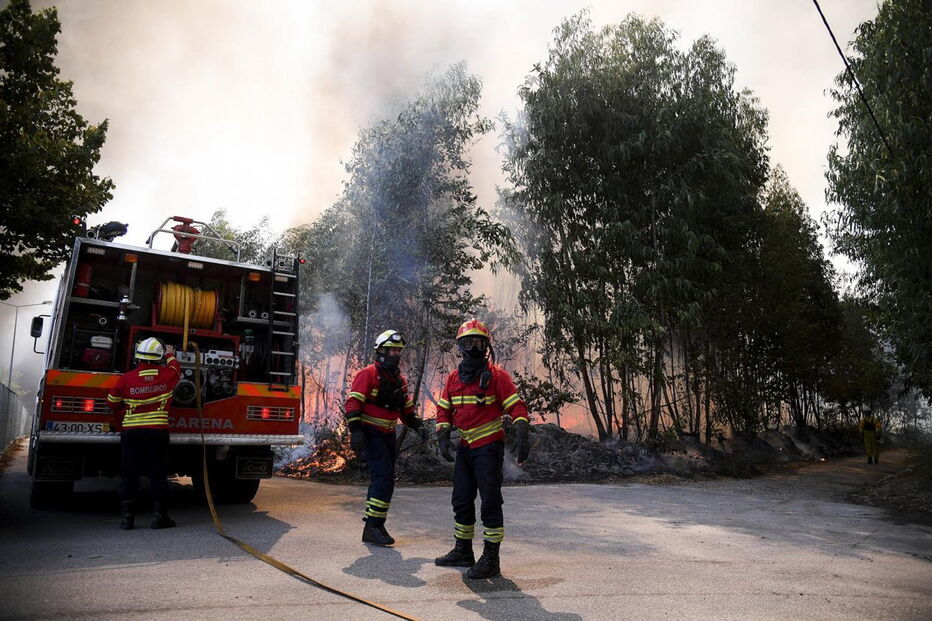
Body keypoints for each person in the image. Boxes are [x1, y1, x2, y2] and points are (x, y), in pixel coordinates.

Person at [434, 318, 530, 579]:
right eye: (469, 343)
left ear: (486, 346)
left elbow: (516, 406)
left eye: (479, 343)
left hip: (488, 447)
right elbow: (444, 409)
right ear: (460, 347)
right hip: (465, 447)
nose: (474, 348)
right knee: (462, 499)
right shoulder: (453, 378)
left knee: (489, 501)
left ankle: (491, 559)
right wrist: (442, 433)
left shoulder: (498, 377)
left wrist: (522, 431)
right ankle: (463, 550)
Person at [345, 329, 426, 546]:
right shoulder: (368, 374)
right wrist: (356, 431)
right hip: (372, 434)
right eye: (391, 350)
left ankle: (373, 525)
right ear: (380, 351)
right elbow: (353, 404)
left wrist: (419, 425)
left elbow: (406, 409)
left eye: (398, 351)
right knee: (383, 478)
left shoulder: (399, 379)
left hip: (389, 435)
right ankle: (373, 526)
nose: (395, 354)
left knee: (385, 480)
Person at [106, 337, 181, 530]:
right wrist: (171, 354)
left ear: (137, 356)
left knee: (129, 475)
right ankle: (159, 517)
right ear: (159, 357)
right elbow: (176, 370)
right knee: (158, 474)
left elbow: (112, 402)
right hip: (157, 433)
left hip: (131, 433)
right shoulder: (167, 375)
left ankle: (127, 519)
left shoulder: (126, 378)